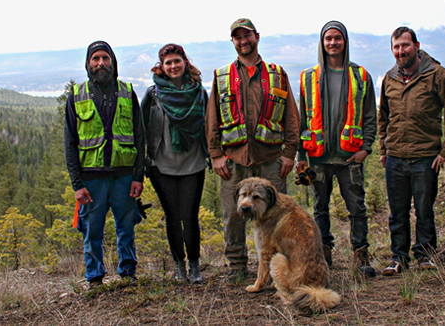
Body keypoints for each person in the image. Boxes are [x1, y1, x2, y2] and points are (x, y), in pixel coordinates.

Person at [206, 18, 300, 281]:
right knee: (233, 216)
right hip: (234, 160)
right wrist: (215, 155)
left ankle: (276, 267)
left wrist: (289, 153)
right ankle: (236, 267)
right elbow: (212, 118)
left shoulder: (277, 74)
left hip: (270, 159)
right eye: (237, 37)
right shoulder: (221, 76)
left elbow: (291, 116)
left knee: (277, 217)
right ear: (232, 41)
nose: (243, 41)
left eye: (247, 35)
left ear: (257, 37)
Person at [378, 27, 445, 275]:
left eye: (405, 45)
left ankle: (425, 255)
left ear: (416, 45)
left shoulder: (438, 75)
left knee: (424, 210)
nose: (401, 51)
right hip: (395, 157)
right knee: (398, 212)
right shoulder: (390, 78)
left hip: (426, 156)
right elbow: (383, 117)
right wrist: (383, 148)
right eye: (396, 47)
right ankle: (399, 257)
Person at [296, 21, 378, 276]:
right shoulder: (308, 77)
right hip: (318, 157)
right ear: (322, 43)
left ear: (345, 42)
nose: (333, 43)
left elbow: (370, 116)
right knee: (320, 207)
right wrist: (301, 156)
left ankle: (361, 256)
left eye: (337, 38)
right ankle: (323, 257)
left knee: (357, 207)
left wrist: (366, 148)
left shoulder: (360, 75)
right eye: (328, 38)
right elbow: (301, 119)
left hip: (349, 157)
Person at [65, 41, 145, 287]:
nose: (101, 63)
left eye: (105, 58)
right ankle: (95, 279)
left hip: (124, 176)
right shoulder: (76, 97)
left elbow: (139, 137)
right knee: (92, 231)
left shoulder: (127, 92)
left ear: (113, 62)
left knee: (127, 227)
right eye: (95, 59)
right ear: (88, 64)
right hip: (91, 178)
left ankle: (128, 274)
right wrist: (77, 184)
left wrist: (138, 177)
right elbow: (70, 143)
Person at [141, 43, 208, 284]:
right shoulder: (153, 94)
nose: (173, 66)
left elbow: (208, 126)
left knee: (190, 216)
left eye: (176, 61)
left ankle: (194, 265)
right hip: (161, 165)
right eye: (168, 62)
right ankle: (179, 265)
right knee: (172, 216)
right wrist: (143, 163)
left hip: (194, 163)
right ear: (162, 66)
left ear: (185, 62)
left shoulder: (199, 91)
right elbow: (142, 129)